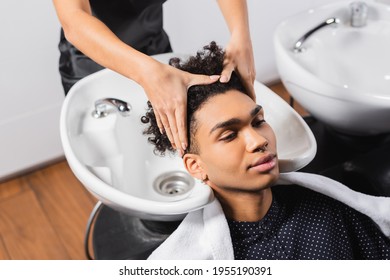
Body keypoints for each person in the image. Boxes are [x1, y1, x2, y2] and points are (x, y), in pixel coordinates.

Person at [142, 42, 390, 260]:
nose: (258, 140)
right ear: (196, 167)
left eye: (258, 122)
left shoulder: (329, 210)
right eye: (229, 135)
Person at [52, 0, 256, 157]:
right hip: (92, 63)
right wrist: (147, 73)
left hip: (154, 47)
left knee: (174, 145)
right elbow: (74, 18)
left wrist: (240, 33)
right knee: (110, 155)